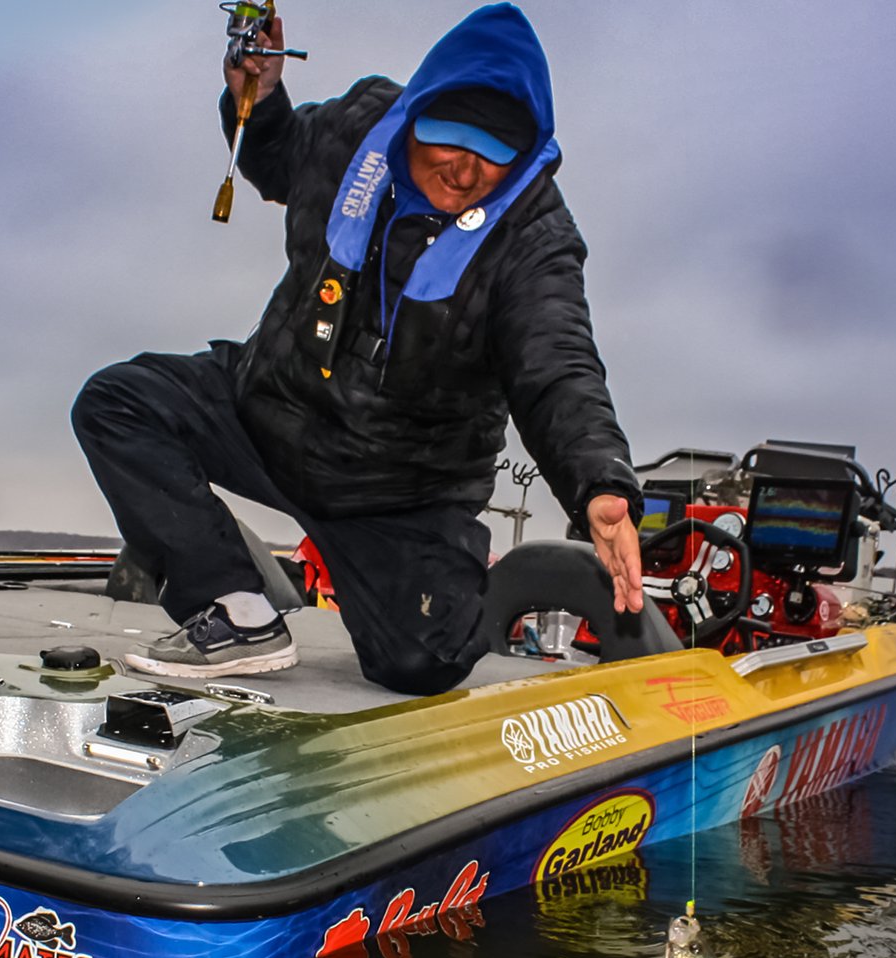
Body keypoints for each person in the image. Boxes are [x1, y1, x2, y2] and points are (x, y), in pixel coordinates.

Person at [72, 3, 643, 695]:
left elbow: (558, 364)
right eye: (448, 143)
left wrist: (601, 484)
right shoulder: (357, 128)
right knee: (117, 401)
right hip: (272, 411)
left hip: (396, 487)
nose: (463, 173)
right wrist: (261, 91)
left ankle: (421, 594)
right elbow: (276, 158)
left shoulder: (535, 235)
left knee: (422, 663)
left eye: (490, 157)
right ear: (413, 116)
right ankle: (235, 607)